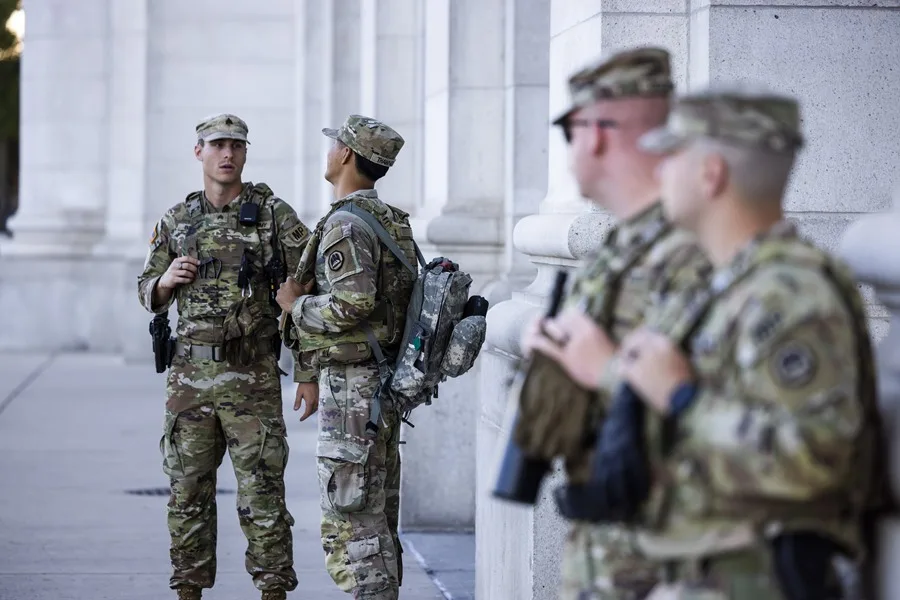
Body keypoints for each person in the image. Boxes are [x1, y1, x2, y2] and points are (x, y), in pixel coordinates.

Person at [533, 86, 890, 598]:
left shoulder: (792, 295)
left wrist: (684, 399)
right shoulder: (725, 283)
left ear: (711, 173)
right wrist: (609, 371)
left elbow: (816, 463)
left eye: (671, 157)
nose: (658, 173)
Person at [516, 47, 713, 599]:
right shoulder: (622, 248)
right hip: (608, 549)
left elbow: (724, 424)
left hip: (665, 559)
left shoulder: (688, 253)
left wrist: (605, 371)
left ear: (595, 134)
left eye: (570, 131)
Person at [137, 114, 310, 600]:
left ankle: (272, 592)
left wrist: (308, 372)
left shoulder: (274, 215)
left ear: (246, 153)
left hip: (252, 377)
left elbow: (305, 295)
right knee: (187, 493)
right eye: (217, 145)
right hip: (189, 378)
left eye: (236, 145)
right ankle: (188, 591)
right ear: (199, 152)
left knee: (263, 497)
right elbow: (144, 288)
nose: (227, 153)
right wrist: (165, 281)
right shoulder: (177, 219)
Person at [276, 114, 416, 600]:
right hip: (375, 387)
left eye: (334, 142)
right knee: (372, 509)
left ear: (347, 156)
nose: (328, 149)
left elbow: (352, 302)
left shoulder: (346, 225)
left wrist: (295, 307)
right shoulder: (388, 219)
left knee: (351, 518)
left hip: (355, 390)